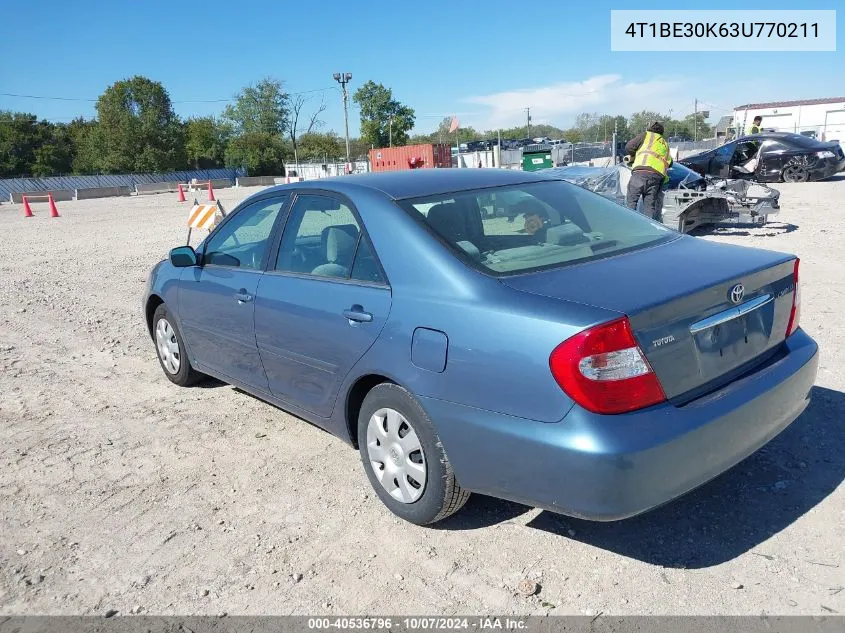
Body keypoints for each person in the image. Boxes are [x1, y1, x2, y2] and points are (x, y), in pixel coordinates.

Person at [624, 121, 672, 221]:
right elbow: (670, 162)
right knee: (649, 206)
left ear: (650, 129)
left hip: (640, 173)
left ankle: (627, 225)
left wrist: (636, 154)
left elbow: (629, 147)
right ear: (661, 132)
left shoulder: (646, 135)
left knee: (631, 202)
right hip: (656, 177)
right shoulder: (665, 143)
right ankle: (647, 229)